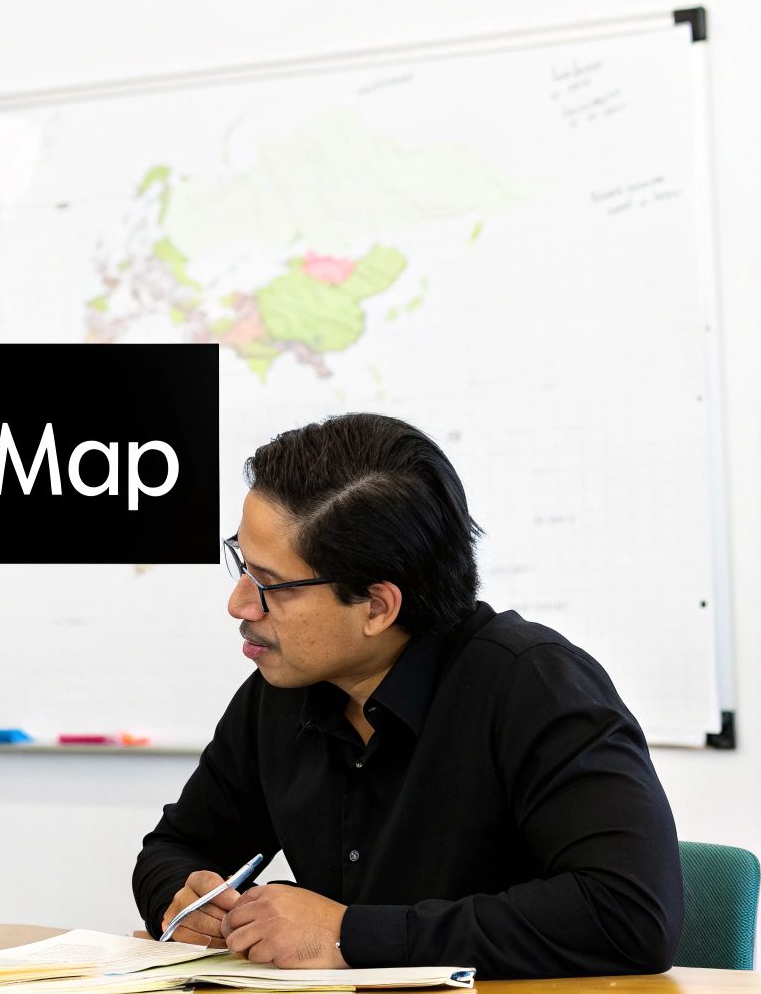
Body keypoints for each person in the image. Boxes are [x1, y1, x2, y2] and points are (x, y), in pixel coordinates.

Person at [132, 413, 683, 979]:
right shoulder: (281, 692)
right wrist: (181, 900)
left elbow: (630, 915)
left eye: (270, 585)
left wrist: (348, 934)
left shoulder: (534, 684)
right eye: (242, 566)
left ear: (377, 606)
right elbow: (176, 847)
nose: (240, 604)